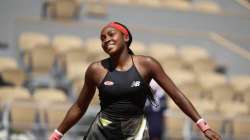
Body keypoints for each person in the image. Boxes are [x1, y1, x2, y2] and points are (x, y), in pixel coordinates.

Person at [49, 21, 221, 140]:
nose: (106, 39)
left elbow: (176, 95)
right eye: (102, 38)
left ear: (125, 37)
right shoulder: (96, 69)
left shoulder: (147, 64)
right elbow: (80, 106)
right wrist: (57, 135)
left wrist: (203, 126)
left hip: (135, 130)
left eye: (110, 34)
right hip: (102, 130)